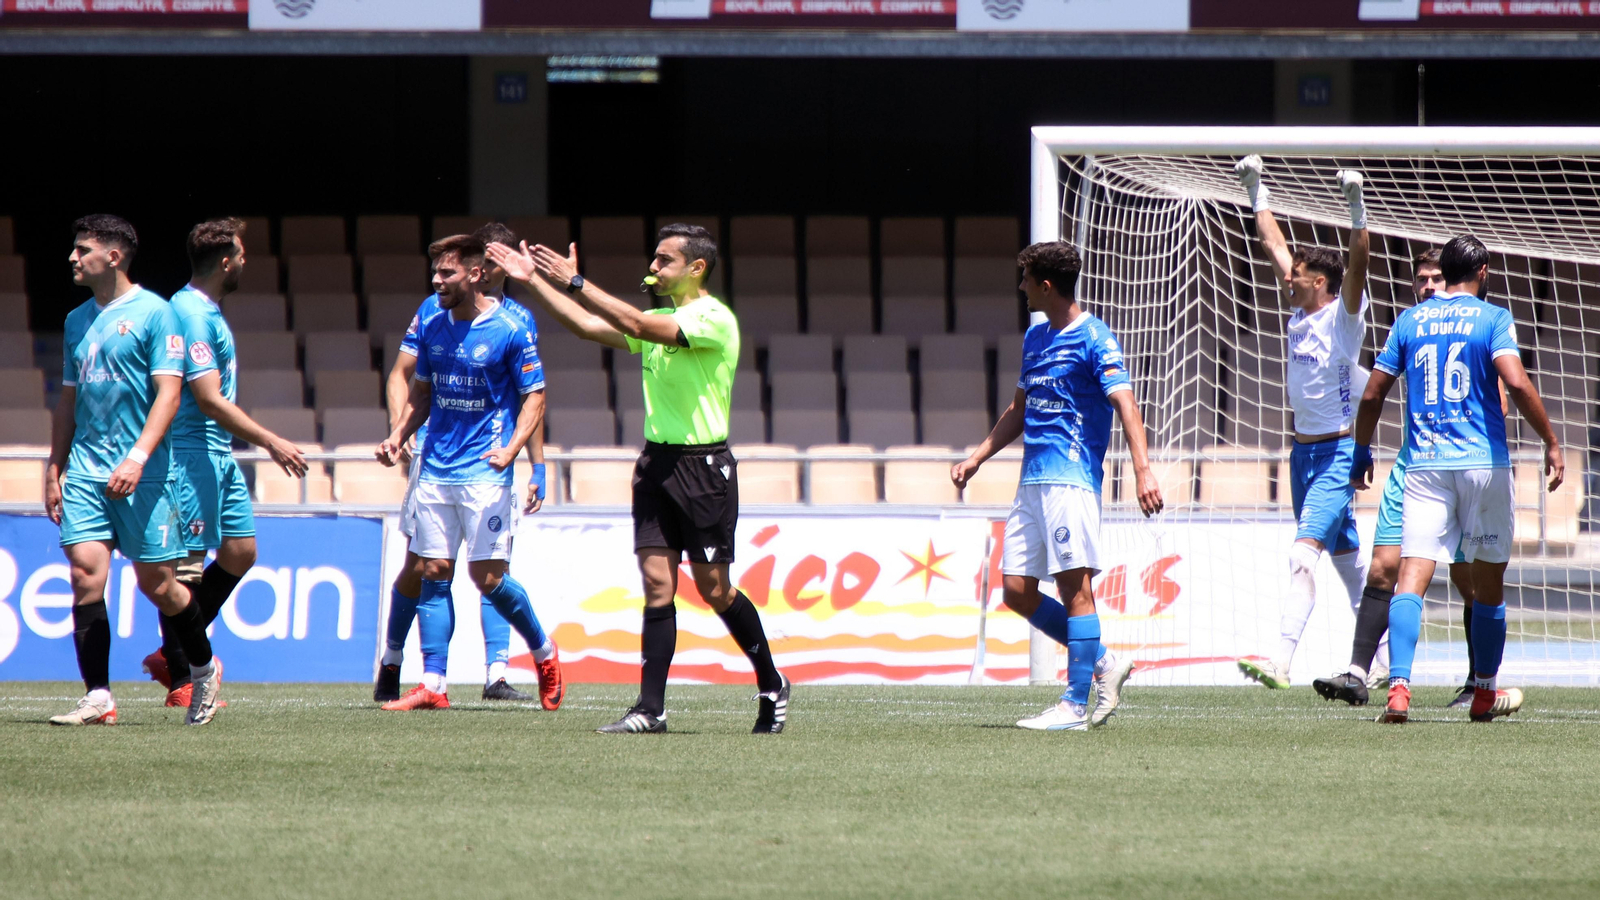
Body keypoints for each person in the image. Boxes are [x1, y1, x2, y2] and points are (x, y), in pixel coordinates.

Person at [487, 223, 790, 735]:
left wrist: (575, 281)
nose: (652, 268)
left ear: (696, 268)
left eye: (663, 261)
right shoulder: (656, 316)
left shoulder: (713, 319)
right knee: (656, 586)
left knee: (715, 590)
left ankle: (771, 682)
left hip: (704, 469)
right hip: (656, 467)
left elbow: (632, 322)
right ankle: (651, 709)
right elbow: (588, 328)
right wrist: (534, 281)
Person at [951, 240, 1163, 731]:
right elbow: (1019, 412)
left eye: (1025, 280)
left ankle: (1072, 705)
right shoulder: (1034, 338)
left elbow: (1127, 405)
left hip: (1070, 480)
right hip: (1032, 483)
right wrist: (977, 457)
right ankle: (1105, 663)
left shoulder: (1095, 338)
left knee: (1075, 590)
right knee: (1016, 591)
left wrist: (1143, 469)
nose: (1020, 287)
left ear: (1045, 285)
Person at [1352, 233, 1562, 724]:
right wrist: (1551, 440)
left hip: (1424, 465)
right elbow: (1514, 380)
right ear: (1483, 270)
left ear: (1443, 272)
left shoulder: (1411, 319)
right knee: (1487, 582)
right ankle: (1484, 692)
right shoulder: (1493, 318)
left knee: (1411, 577)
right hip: (1482, 464)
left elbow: (1372, 394)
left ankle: (1399, 689)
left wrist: (1362, 449)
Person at [375, 222, 562, 707]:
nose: (436, 282)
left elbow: (534, 397)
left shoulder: (513, 325)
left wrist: (522, 454)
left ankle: (540, 651)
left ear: (477, 273)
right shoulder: (432, 320)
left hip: (485, 469)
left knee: (489, 579)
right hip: (435, 466)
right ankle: (432, 684)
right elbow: (420, 390)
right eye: (434, 272)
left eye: (445, 273)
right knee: (432, 568)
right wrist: (398, 434)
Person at [46, 215, 221, 726]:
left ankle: (204, 671)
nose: (73, 258)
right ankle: (98, 696)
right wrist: (55, 465)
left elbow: (170, 394)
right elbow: (68, 400)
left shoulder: (156, 314)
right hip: (85, 471)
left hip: (143, 472)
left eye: (83, 250)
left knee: (160, 585)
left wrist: (138, 456)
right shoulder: (76, 319)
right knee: (85, 576)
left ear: (114, 256)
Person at [140, 218, 308, 708]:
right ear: (228, 261)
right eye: (243, 253)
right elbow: (209, 399)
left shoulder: (206, 310)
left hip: (218, 454)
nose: (246, 260)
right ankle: (182, 676)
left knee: (240, 551)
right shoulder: (191, 315)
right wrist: (271, 441)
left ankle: (171, 652)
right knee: (187, 569)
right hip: (190, 453)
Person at [1312, 249, 1487, 707]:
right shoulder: (1410, 324)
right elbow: (1374, 392)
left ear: (1450, 282)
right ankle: (1357, 672)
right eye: (1421, 279)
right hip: (1413, 465)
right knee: (1384, 567)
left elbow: (1499, 396)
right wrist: (1362, 448)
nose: (1428, 285)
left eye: (1436, 278)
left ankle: (1476, 681)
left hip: (1464, 464)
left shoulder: (1474, 326)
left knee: (1468, 579)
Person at [1232, 157, 1371, 689]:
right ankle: (1379, 662)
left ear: (1322, 283)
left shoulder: (1344, 318)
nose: (1288, 280)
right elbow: (1272, 245)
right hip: (1301, 455)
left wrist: (1356, 206)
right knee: (1348, 562)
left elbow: (1357, 262)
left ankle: (1281, 661)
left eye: (1298, 276)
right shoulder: (1297, 311)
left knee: (1301, 557)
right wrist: (1255, 188)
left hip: (1335, 453)